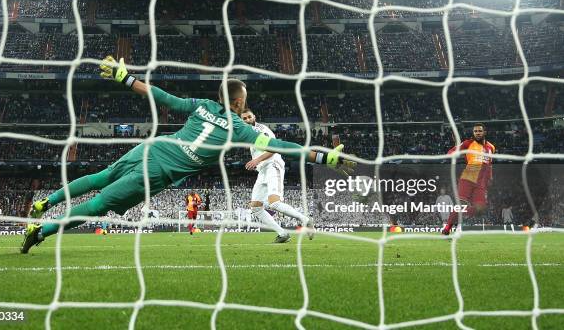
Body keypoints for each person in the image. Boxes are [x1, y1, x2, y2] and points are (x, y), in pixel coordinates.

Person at [21, 57, 351, 253]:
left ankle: (45, 202)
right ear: (237, 104)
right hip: (158, 170)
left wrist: (128, 79)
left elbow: (165, 98)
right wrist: (324, 157)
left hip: (154, 147)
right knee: (99, 203)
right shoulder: (240, 128)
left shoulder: (202, 105)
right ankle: (42, 231)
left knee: (102, 177)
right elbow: (283, 147)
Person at [241, 108, 314, 243]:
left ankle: (306, 219)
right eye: (244, 119)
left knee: (274, 203)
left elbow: (274, 148)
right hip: (262, 170)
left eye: (249, 117)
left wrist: (256, 160)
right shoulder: (249, 134)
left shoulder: (262, 131)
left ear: (254, 117)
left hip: (272, 165)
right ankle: (283, 234)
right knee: (256, 207)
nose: (247, 120)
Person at [442, 123, 495, 235]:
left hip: (481, 180)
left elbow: (490, 164)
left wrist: (490, 176)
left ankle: (457, 214)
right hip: (469, 174)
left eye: (480, 131)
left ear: (484, 132)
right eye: (475, 131)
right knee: (461, 204)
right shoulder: (468, 143)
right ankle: (447, 228)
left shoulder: (491, 147)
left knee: (480, 210)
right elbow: (451, 151)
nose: (477, 133)